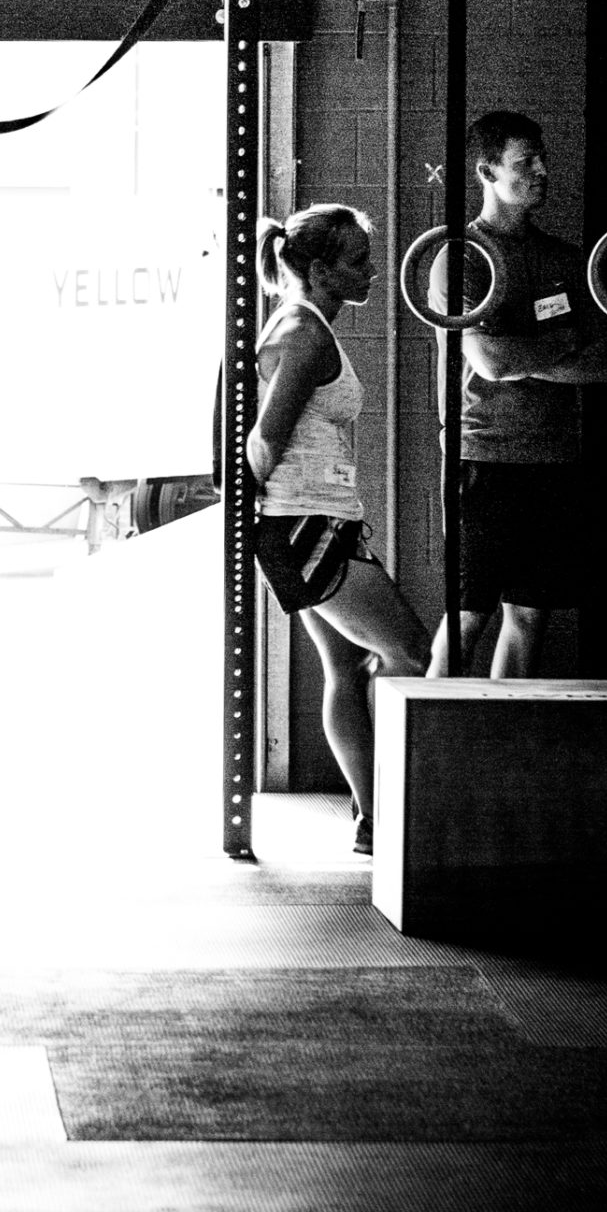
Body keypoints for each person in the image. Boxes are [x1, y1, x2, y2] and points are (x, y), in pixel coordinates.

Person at [251, 205, 428, 856]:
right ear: (320, 271)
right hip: (305, 524)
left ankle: (372, 820)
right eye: (357, 262)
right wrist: (270, 521)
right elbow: (263, 443)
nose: (373, 273)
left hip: (315, 522)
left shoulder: (306, 324)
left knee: (347, 668)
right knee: (412, 655)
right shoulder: (302, 332)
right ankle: (390, 814)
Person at [425, 110, 607, 678]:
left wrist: (521, 354)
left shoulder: (564, 259)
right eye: (524, 162)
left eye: (541, 157)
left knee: (529, 615)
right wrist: (561, 344)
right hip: (484, 459)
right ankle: (431, 758)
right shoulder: (461, 256)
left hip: (555, 459)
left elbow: (604, 362)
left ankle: (497, 750)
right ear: (487, 171)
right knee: (467, 616)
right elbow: (489, 360)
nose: (541, 170)